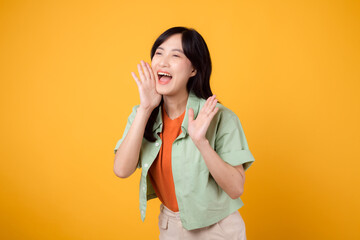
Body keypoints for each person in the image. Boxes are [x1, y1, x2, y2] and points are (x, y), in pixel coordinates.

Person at [113, 26, 255, 240]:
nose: (162, 61)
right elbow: (121, 169)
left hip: (217, 228)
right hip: (170, 227)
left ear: (194, 69)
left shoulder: (220, 117)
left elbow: (236, 189)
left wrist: (201, 143)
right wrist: (145, 109)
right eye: (159, 53)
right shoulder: (142, 114)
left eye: (175, 55)